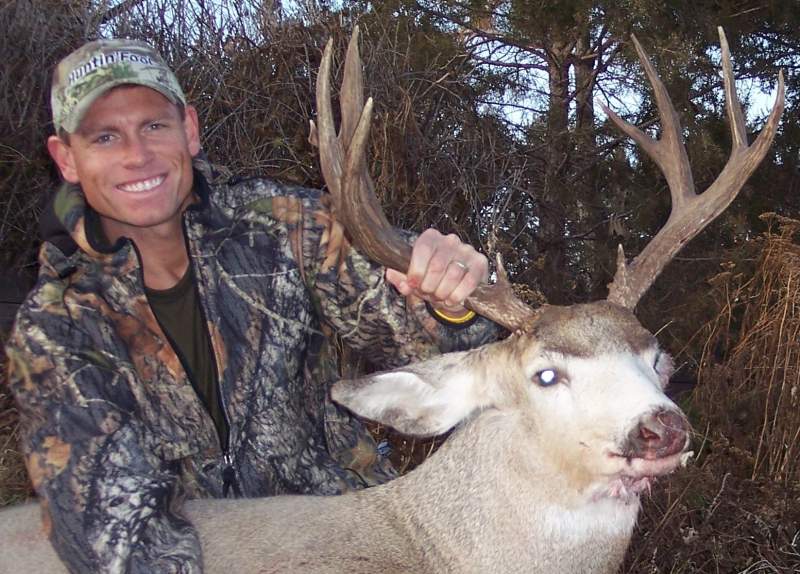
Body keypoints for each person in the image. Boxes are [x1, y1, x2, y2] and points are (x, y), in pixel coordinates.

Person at [5, 38, 497, 572]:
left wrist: (450, 301)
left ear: (189, 129)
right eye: (105, 136)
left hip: (348, 539)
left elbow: (435, 351)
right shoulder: (56, 328)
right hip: (206, 557)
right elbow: (110, 529)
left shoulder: (288, 225)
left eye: (153, 126)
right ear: (66, 159)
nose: (136, 154)